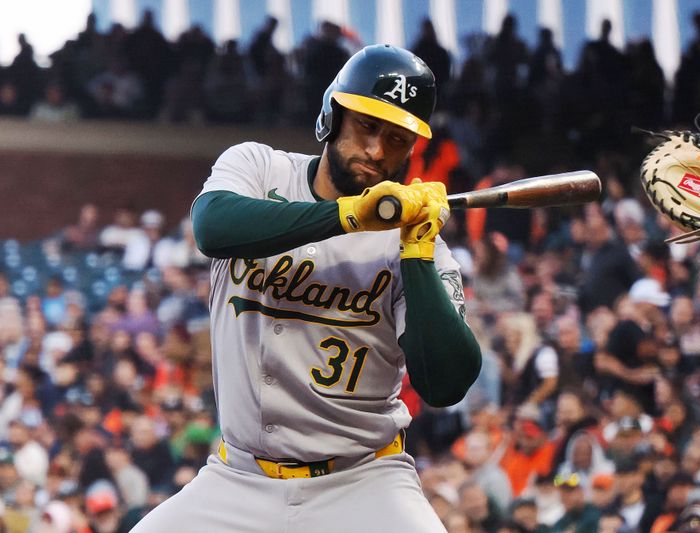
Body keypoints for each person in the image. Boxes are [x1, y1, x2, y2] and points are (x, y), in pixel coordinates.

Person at [131, 44, 482, 532]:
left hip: (363, 481)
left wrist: (418, 254)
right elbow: (212, 227)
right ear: (332, 115)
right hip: (238, 478)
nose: (377, 151)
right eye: (368, 126)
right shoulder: (258, 167)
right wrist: (347, 215)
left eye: (398, 139)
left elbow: (446, 384)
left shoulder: (416, 241)